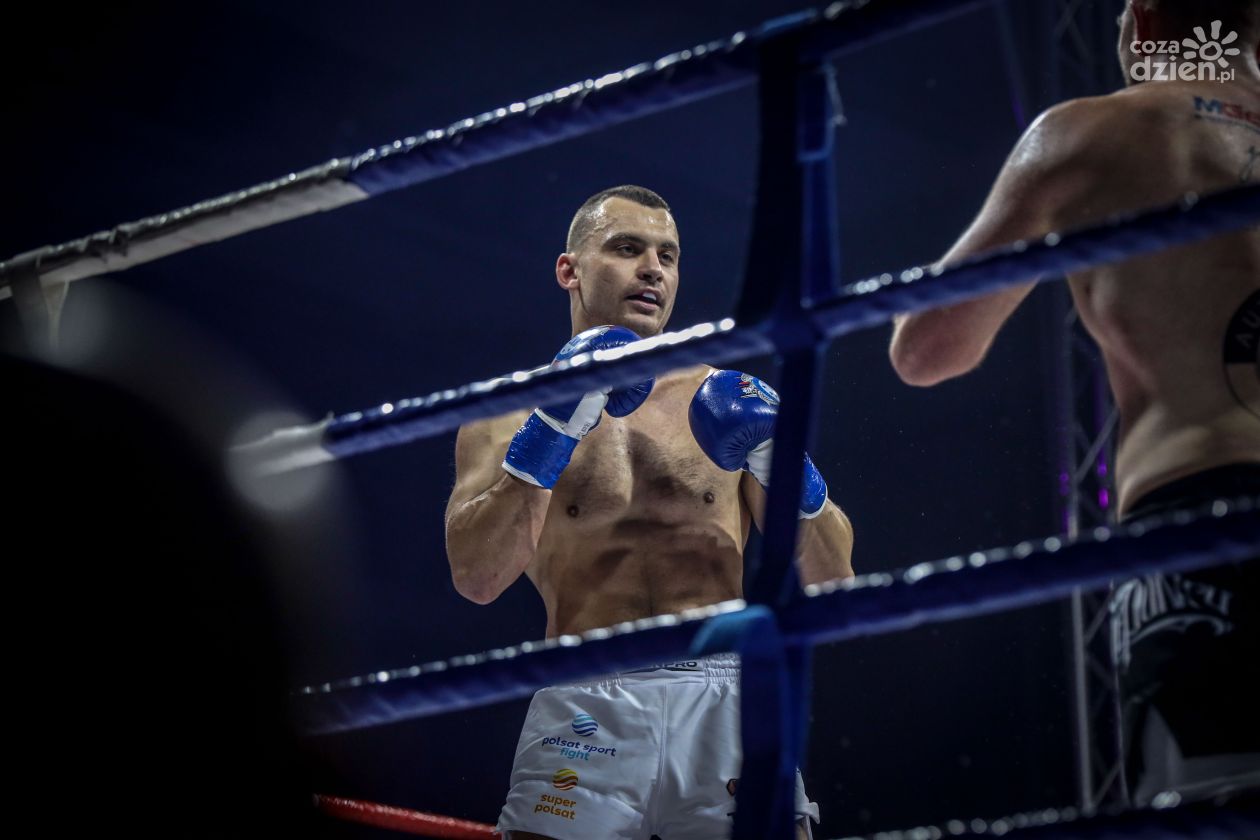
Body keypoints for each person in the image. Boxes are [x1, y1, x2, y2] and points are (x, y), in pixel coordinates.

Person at [888, 0, 1260, 807]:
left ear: (1146, 23)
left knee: (1209, 815)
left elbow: (926, 349)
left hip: (1196, 515)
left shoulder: (1091, 133)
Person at [445, 185, 854, 839]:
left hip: (726, 696)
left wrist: (789, 468)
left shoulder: (725, 399)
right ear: (570, 270)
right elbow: (478, 577)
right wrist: (551, 428)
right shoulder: (506, 412)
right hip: (586, 698)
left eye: (668, 255)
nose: (653, 270)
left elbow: (834, 584)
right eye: (627, 248)